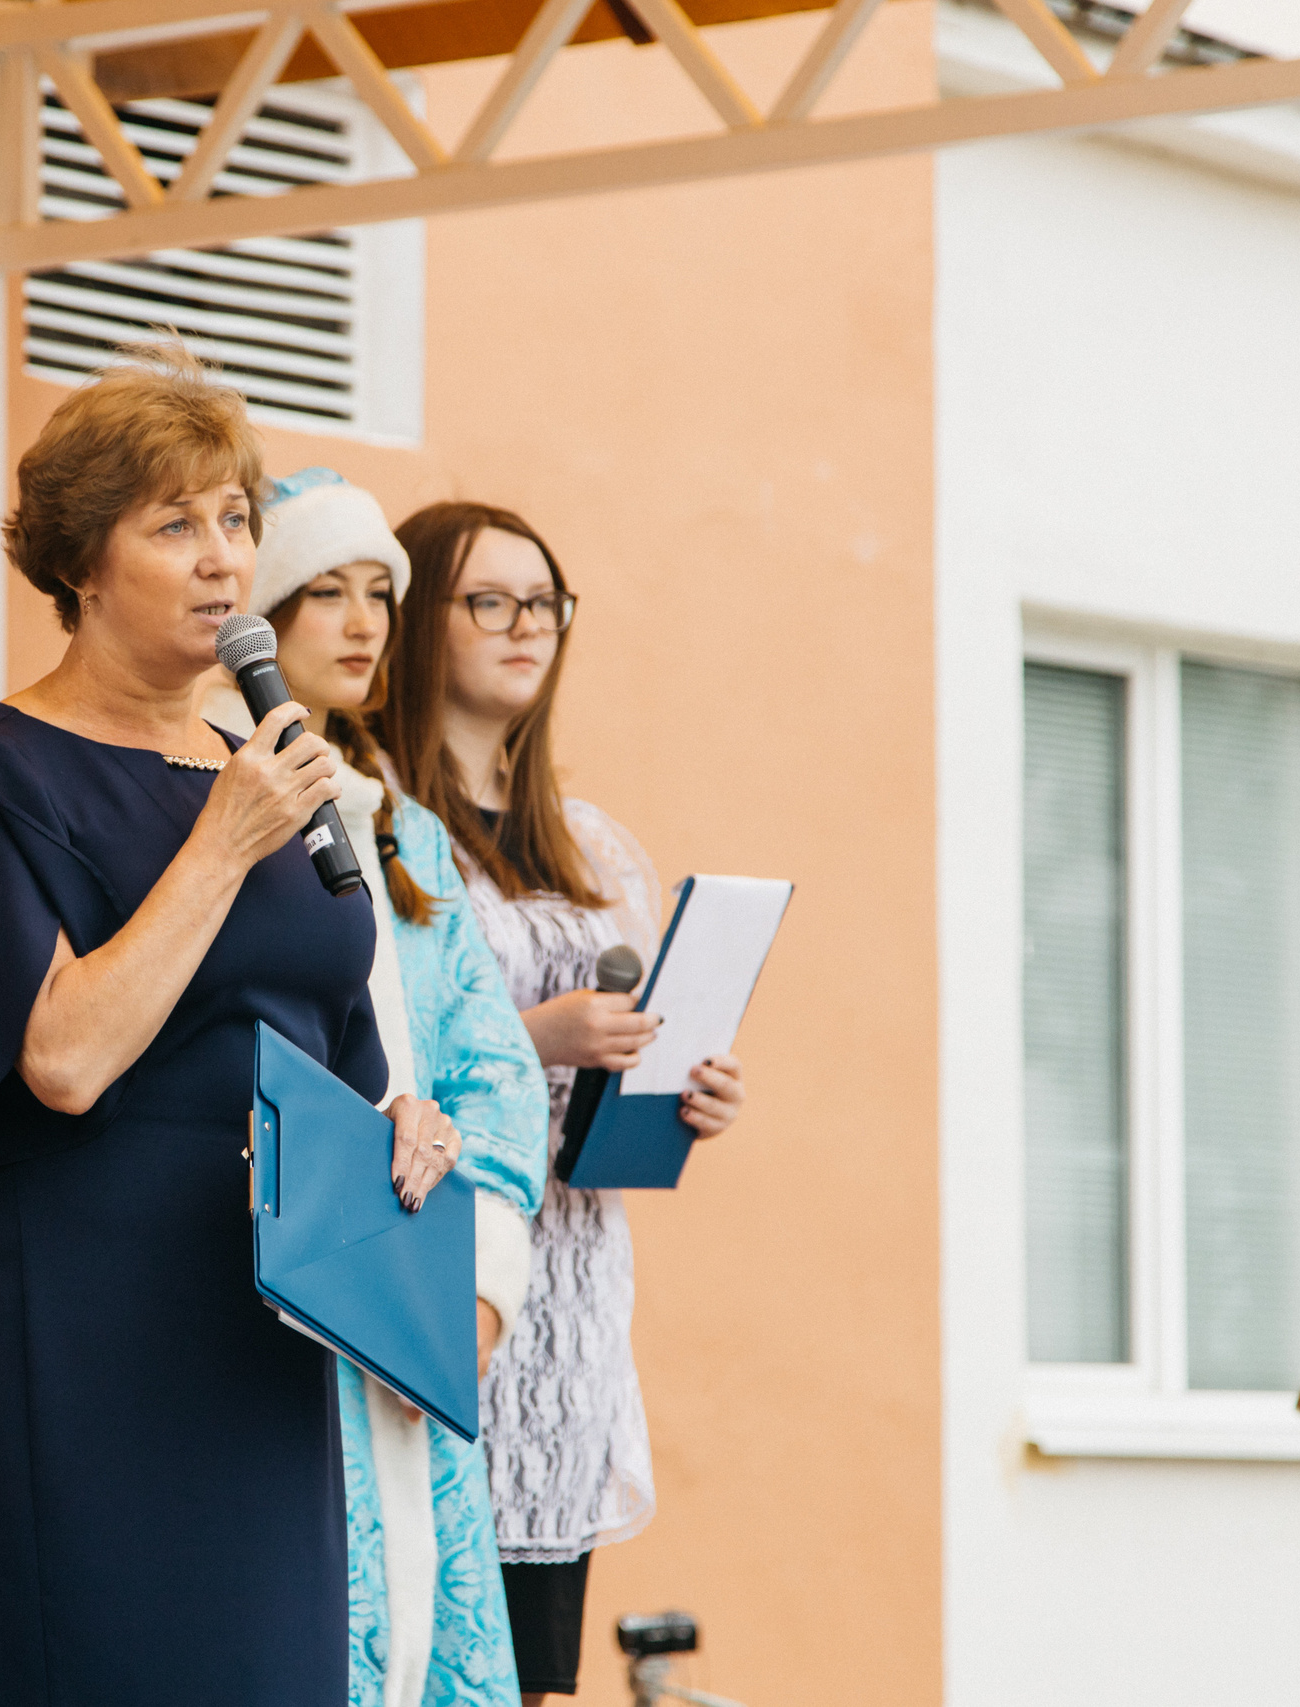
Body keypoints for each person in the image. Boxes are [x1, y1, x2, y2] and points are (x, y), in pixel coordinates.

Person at [0, 350, 468, 1707]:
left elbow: (339, 1041)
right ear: (83, 563)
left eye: (237, 519)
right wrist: (219, 846)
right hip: (95, 1316)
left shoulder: (270, 761)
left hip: (265, 1317)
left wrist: (404, 1122)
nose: (224, 559)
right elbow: (65, 1057)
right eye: (175, 525)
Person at [374, 503, 748, 1704]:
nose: (526, 627)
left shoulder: (589, 844)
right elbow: (370, 1046)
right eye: (488, 601)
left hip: (571, 1311)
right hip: (442, 1274)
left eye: (544, 603)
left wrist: (677, 1084)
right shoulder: (378, 819)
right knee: (419, 1646)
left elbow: (612, 1075)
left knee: (539, 1672)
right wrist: (534, 1039)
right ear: (415, 617)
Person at [200, 469, 546, 1707]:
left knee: (420, 1635)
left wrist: (470, 1308)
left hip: (415, 1317)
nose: (360, 626)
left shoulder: (407, 832)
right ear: (262, 620)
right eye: (324, 595)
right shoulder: (207, 805)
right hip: (279, 1313)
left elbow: (494, 1075)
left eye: (378, 598)